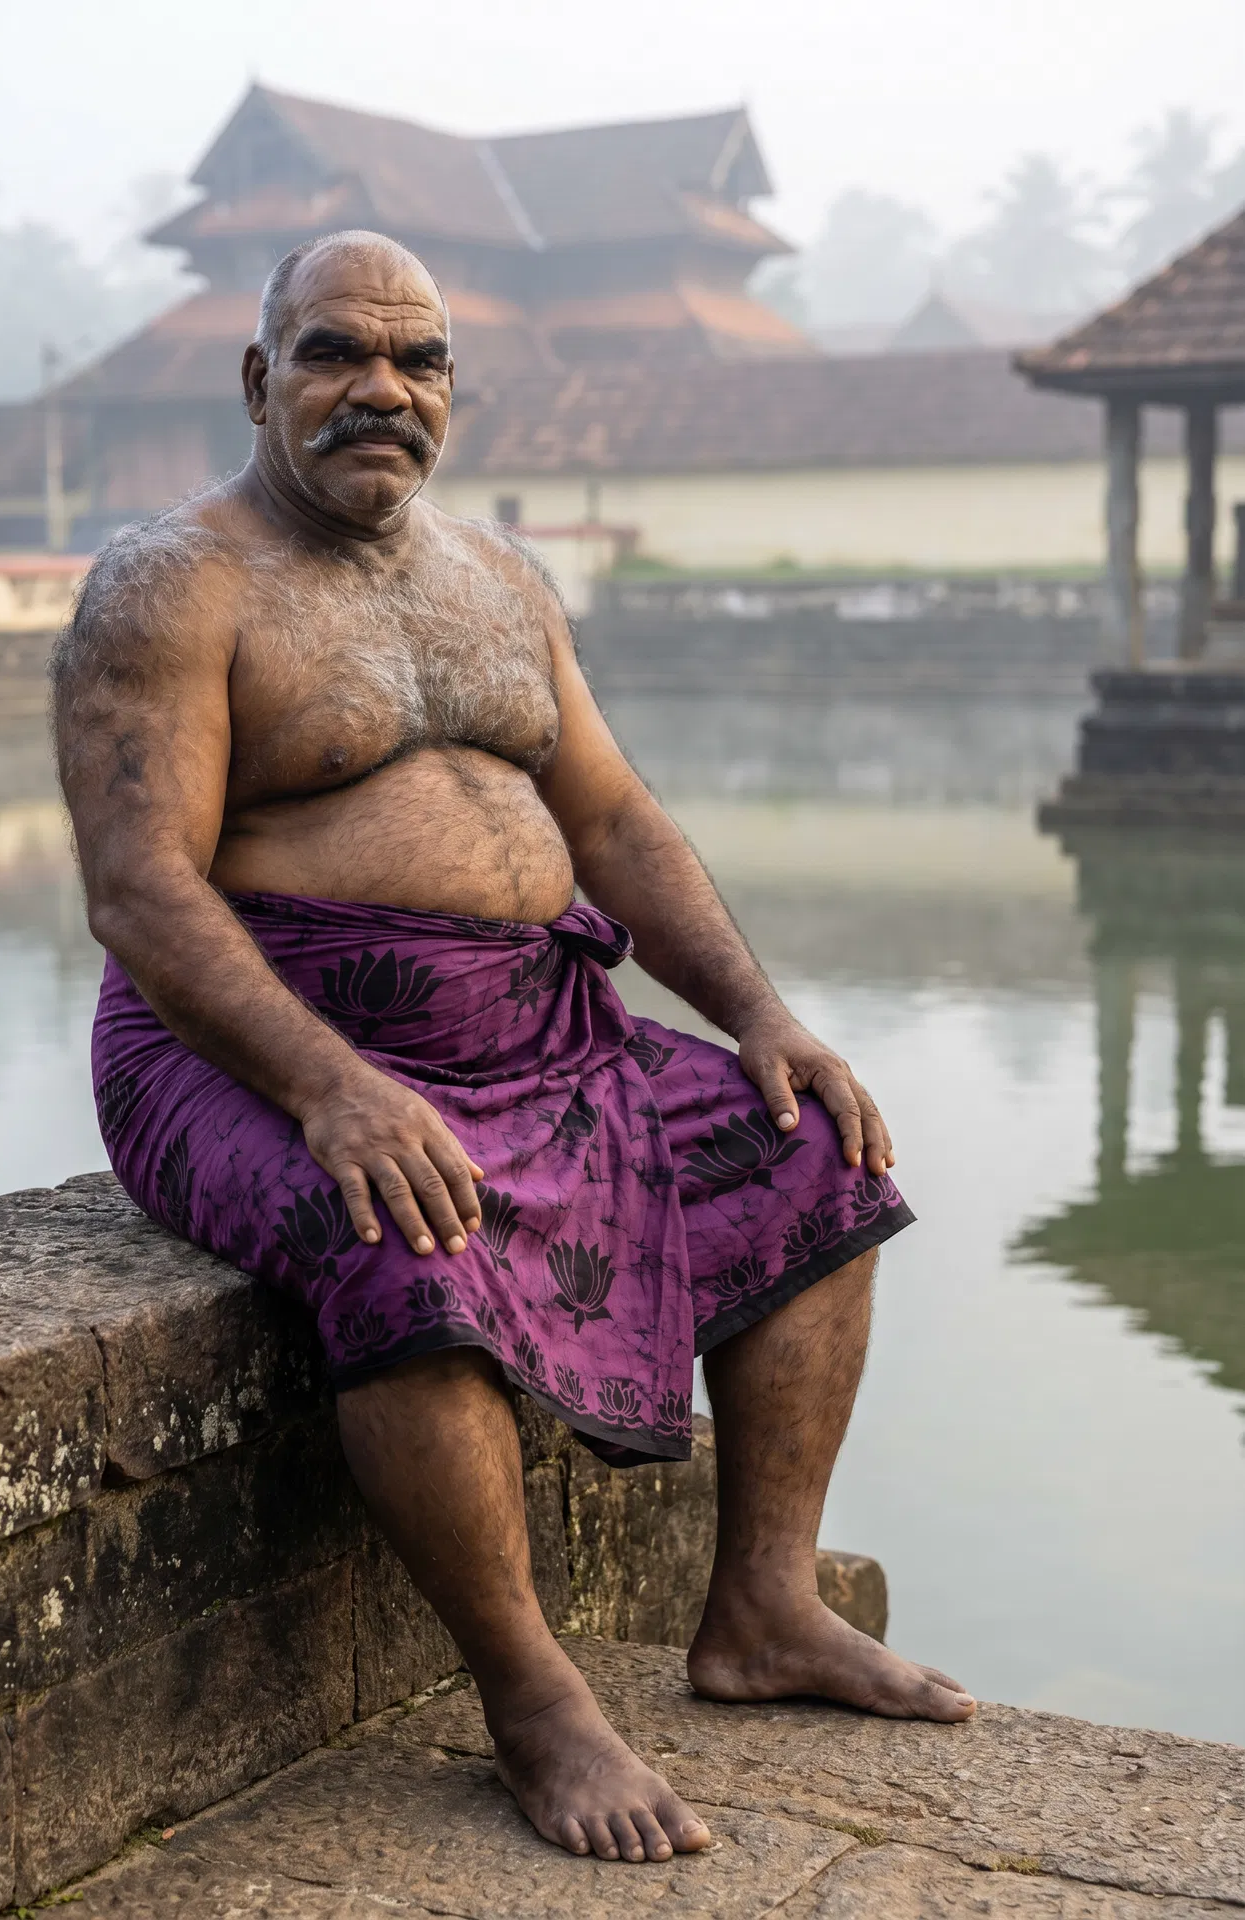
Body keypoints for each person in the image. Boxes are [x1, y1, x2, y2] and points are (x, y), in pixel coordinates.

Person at [53, 228, 976, 1867]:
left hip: (538, 1031)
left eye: (418, 364)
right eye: (337, 353)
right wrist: (330, 1085)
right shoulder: (171, 585)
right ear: (261, 378)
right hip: (254, 1043)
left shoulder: (496, 581)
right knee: (401, 1238)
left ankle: (761, 1606)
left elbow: (609, 818)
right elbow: (138, 889)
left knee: (819, 1150)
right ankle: (534, 1697)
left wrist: (759, 1015)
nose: (381, 392)